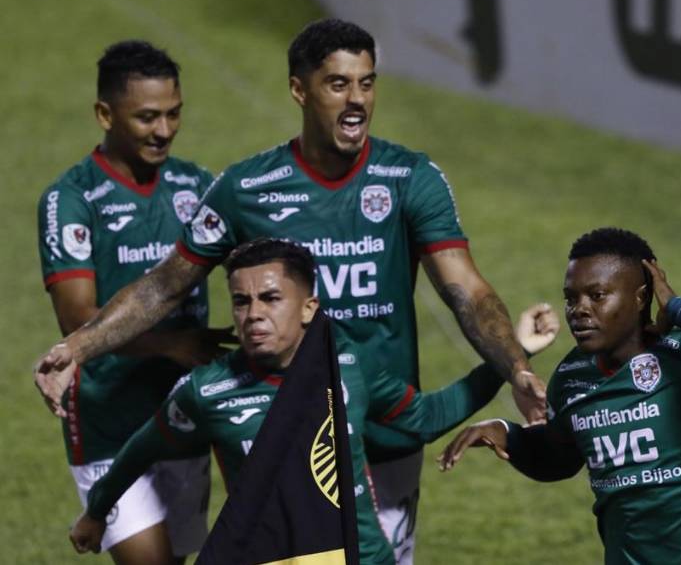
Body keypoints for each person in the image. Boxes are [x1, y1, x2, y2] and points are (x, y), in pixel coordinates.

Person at [34, 18, 545, 563]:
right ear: (300, 89)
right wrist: (77, 349)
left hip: (386, 429)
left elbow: (463, 287)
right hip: (284, 432)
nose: (356, 100)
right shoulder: (246, 189)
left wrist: (514, 366)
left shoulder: (409, 177)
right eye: (338, 84)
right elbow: (164, 285)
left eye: (367, 83)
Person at [68, 238, 560, 565]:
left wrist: (507, 363)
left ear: (309, 308)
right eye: (242, 302)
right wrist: (97, 512)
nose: (254, 314)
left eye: (270, 298)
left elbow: (423, 418)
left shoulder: (347, 364)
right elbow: (142, 447)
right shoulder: (207, 391)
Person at [439, 227, 681, 565]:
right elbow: (559, 457)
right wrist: (507, 434)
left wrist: (679, 309)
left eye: (597, 295)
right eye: (571, 298)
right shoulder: (572, 376)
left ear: (639, 297)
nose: (579, 309)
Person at [35, 40, 235, 564]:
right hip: (109, 423)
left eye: (173, 114)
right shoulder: (72, 199)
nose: (164, 130)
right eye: (147, 117)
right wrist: (172, 345)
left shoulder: (196, 186)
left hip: (183, 414)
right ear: (105, 113)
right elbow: (77, 318)